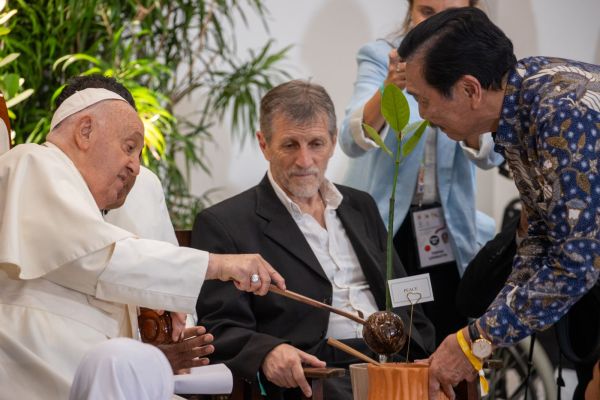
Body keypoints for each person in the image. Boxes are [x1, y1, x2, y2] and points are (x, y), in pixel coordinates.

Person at [0, 75, 285, 399]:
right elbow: (98, 258)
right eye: (129, 147)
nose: (135, 167)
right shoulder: (34, 162)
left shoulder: (93, 201)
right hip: (40, 370)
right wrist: (219, 265)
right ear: (85, 131)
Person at [396, 7, 600, 399]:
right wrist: (476, 339)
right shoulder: (522, 104)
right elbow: (540, 240)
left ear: (471, 89)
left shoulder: (559, 113)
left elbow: (575, 263)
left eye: (423, 100)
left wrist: (475, 341)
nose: (422, 115)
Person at [192, 80, 436, 400]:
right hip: (316, 373)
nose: (305, 161)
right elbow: (219, 326)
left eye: (316, 144)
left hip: (394, 363)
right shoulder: (225, 224)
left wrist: (422, 352)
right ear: (264, 144)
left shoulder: (360, 206)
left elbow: (405, 297)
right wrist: (268, 351)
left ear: (334, 143)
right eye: (290, 144)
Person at [339, 0, 502, 343]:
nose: (438, 25)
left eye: (451, 14)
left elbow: (490, 156)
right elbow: (351, 140)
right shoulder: (383, 54)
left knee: (450, 325)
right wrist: (390, 87)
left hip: (447, 226)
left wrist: (471, 109)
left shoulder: (478, 63)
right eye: (427, 12)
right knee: (400, 333)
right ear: (409, 10)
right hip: (390, 224)